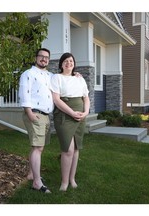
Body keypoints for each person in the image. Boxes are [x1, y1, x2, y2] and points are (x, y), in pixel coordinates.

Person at [51, 52, 90, 191]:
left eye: (71, 61)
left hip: (80, 116)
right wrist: (72, 113)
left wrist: (85, 113)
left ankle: (72, 178)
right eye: (66, 61)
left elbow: (86, 98)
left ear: (74, 64)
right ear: (61, 64)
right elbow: (56, 99)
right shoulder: (56, 77)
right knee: (67, 149)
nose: (69, 63)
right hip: (64, 115)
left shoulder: (80, 78)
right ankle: (64, 182)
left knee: (76, 148)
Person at [18, 48, 54, 193]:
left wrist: (75, 75)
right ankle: (37, 183)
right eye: (41, 56)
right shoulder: (28, 74)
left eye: (47, 57)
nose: (44, 59)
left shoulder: (50, 75)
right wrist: (29, 112)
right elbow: (24, 93)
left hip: (45, 116)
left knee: (38, 147)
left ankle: (32, 174)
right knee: (38, 148)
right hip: (35, 114)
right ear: (36, 58)